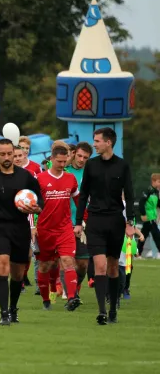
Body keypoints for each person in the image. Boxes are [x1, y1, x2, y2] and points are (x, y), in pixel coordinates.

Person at [0, 138, 43, 326]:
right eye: (2, 154)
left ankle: (13, 308)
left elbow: (40, 199)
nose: (6, 157)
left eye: (9, 153)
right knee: (2, 265)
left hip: (20, 228)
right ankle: (4, 313)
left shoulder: (26, 176)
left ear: (14, 154)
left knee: (18, 274)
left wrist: (37, 208)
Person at [74, 127, 135, 325]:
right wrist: (78, 223)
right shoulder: (91, 166)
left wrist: (130, 222)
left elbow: (130, 194)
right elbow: (83, 195)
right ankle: (101, 311)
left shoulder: (123, 166)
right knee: (99, 266)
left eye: (97, 141)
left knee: (113, 266)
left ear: (108, 142)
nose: (94, 144)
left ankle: (113, 306)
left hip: (116, 220)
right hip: (95, 221)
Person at [35, 146, 81, 311]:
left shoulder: (70, 179)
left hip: (64, 228)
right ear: (51, 160)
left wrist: (82, 221)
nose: (62, 164)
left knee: (68, 261)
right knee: (46, 266)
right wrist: (32, 226)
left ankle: (71, 298)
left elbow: (78, 200)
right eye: (59, 161)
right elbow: (30, 203)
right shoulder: (39, 179)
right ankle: (46, 299)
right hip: (45, 230)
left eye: (64, 161)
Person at [66, 142, 92, 294]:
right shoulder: (64, 170)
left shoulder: (91, 173)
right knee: (64, 260)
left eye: (85, 157)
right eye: (80, 155)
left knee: (82, 263)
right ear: (74, 153)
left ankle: (75, 287)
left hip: (84, 222)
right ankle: (64, 289)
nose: (82, 160)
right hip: (64, 222)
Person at [138, 174, 160, 256]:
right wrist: (143, 214)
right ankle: (138, 253)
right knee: (157, 235)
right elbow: (141, 203)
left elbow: (157, 203)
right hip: (148, 217)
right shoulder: (148, 191)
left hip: (152, 217)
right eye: (159, 182)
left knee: (143, 235)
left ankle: (137, 253)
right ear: (153, 181)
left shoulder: (156, 192)